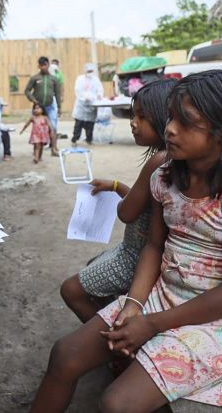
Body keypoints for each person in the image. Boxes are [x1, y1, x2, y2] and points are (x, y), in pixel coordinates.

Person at [31, 70, 222, 412]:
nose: (170, 129)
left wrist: (150, 325)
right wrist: (135, 306)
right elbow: (153, 247)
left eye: (187, 123)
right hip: (160, 299)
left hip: (219, 321)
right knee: (65, 355)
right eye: (172, 118)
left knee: (116, 403)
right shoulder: (165, 177)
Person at [60, 79, 175, 323]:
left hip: (135, 257)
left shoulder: (159, 160)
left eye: (142, 117)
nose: (133, 123)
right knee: (93, 264)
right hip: (139, 252)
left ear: (164, 118)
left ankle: (112, 343)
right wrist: (115, 186)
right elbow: (144, 201)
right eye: (133, 115)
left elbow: (128, 212)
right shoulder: (170, 157)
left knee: (71, 290)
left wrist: (118, 194)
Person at [24, 56, 61, 155]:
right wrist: (33, 99)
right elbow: (27, 91)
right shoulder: (35, 78)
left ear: (48, 65)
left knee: (52, 127)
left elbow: (57, 94)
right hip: (38, 107)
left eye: (45, 65)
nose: (43, 67)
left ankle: (54, 148)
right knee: (37, 128)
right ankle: (35, 150)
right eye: (41, 65)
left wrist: (60, 107)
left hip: (51, 106)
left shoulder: (54, 79)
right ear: (38, 66)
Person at [71, 63, 104, 145]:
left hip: (92, 105)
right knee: (78, 124)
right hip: (81, 105)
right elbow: (77, 90)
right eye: (89, 71)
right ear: (85, 71)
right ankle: (74, 139)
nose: (90, 72)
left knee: (90, 124)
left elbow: (100, 89)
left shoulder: (95, 79)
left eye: (91, 71)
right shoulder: (80, 79)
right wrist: (84, 97)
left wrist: (99, 95)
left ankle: (89, 139)